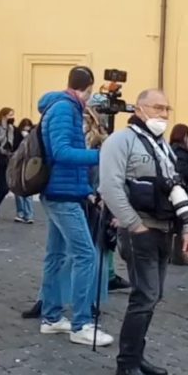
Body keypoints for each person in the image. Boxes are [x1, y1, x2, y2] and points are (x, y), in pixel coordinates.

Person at [99, 88, 188, 375]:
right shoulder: (120, 142)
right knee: (144, 296)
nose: (163, 114)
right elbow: (110, 187)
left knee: (153, 296)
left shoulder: (162, 146)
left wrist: (186, 229)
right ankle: (125, 367)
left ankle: (137, 357)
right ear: (139, 109)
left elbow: (174, 187)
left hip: (164, 228)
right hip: (140, 230)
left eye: (167, 108)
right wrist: (134, 224)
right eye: (157, 107)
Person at [36, 66, 114, 348]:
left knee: (56, 255)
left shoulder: (61, 106)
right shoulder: (64, 109)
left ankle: (52, 317)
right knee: (85, 255)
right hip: (62, 193)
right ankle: (81, 324)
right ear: (88, 88)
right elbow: (61, 152)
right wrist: (101, 154)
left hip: (64, 190)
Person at [83, 106, 129, 292]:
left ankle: (103, 279)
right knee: (100, 243)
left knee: (99, 242)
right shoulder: (100, 145)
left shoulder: (95, 144)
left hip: (94, 197)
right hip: (97, 198)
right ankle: (100, 281)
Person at [169, 123, 188, 266]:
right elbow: (182, 171)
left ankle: (176, 254)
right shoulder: (181, 152)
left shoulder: (170, 149)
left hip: (174, 190)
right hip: (181, 191)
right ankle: (181, 255)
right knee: (183, 223)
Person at [13, 118, 35, 223]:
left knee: (28, 190)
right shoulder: (17, 135)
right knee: (19, 190)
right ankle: (21, 213)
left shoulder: (33, 137)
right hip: (19, 165)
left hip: (29, 165)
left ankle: (29, 214)